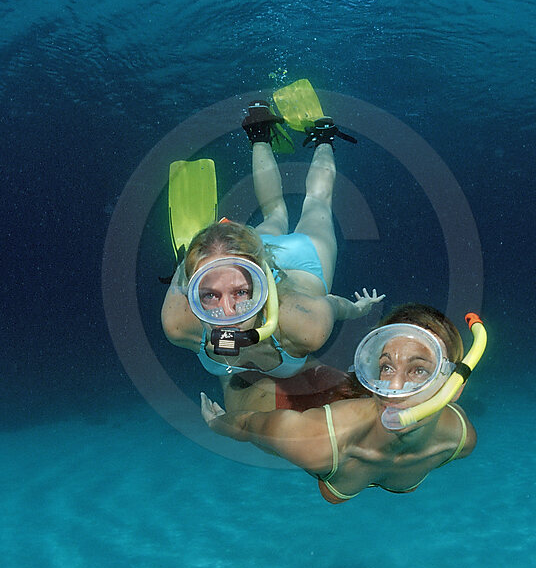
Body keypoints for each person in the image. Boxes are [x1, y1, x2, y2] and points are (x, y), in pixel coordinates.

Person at [161, 95, 384, 380]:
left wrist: (356, 309)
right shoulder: (178, 325)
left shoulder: (304, 325)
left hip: (304, 262)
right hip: (251, 253)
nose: (228, 313)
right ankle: (262, 134)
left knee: (312, 205)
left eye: (241, 293)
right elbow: (185, 273)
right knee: (286, 212)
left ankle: (322, 138)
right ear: (193, 294)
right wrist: (199, 253)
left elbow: (335, 305)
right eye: (208, 295)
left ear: (262, 283)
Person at [200, 304, 485, 504]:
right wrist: (217, 424)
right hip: (297, 401)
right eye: (385, 367)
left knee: (307, 367)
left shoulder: (460, 440)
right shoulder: (316, 440)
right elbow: (248, 423)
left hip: (342, 388)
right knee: (232, 371)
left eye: (419, 370)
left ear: (455, 388)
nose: (394, 390)